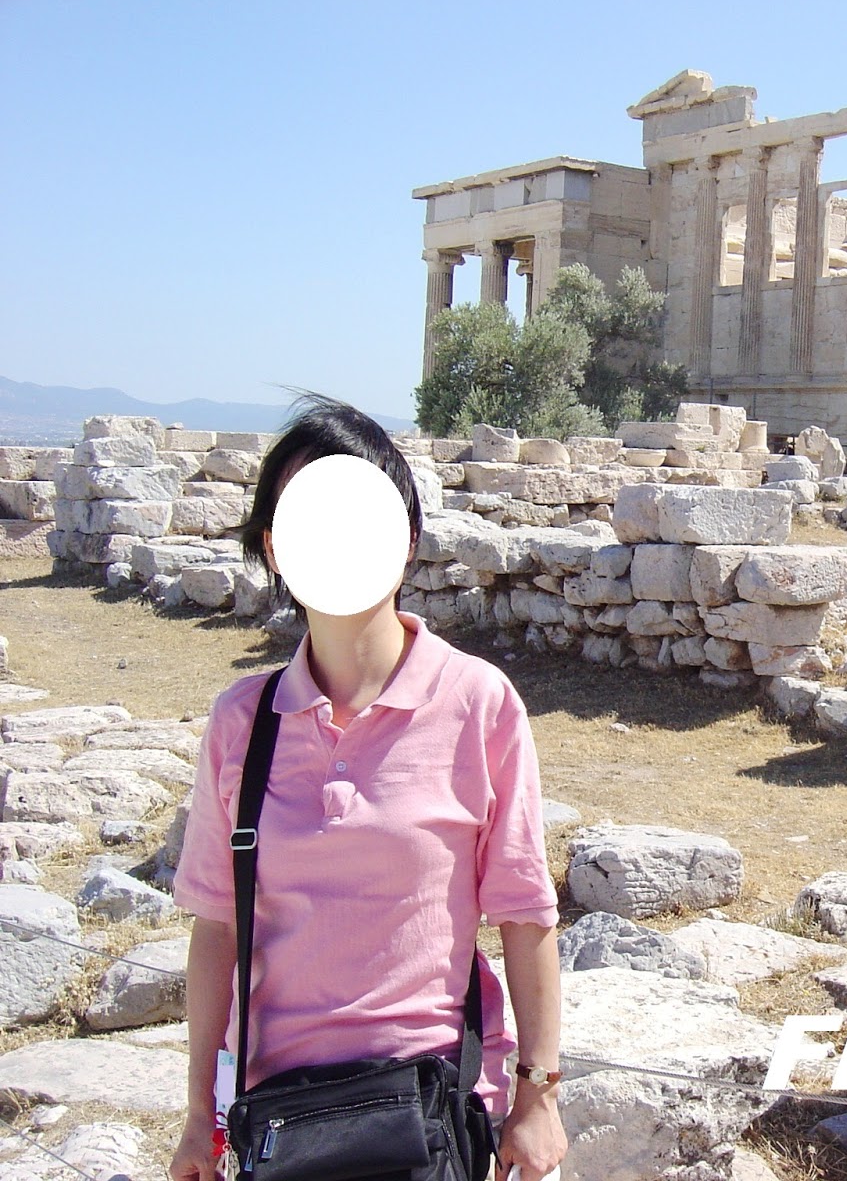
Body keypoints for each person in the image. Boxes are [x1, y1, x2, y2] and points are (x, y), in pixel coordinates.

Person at [169, 395, 566, 1181]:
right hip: (282, 1121)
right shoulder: (241, 722)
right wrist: (196, 1119)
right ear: (274, 547)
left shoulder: (479, 703)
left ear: (406, 539)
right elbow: (216, 929)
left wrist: (539, 1095)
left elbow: (525, 913)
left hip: (432, 1110)